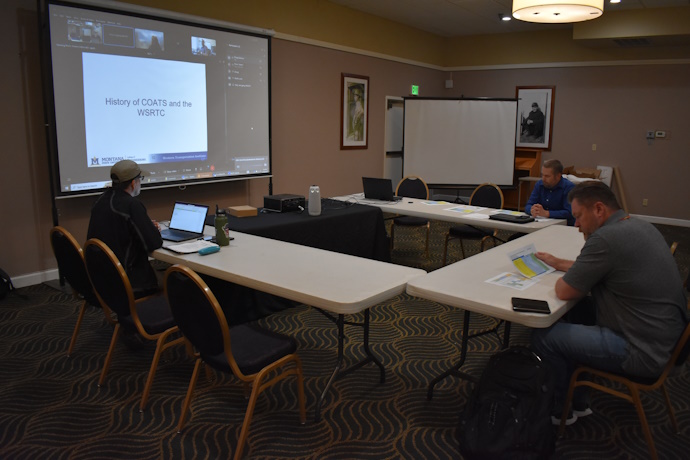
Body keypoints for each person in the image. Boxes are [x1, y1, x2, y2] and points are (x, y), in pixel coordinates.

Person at [532, 181, 688, 425]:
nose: (577, 225)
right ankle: (580, 400)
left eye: (579, 216)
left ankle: (560, 411)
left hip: (641, 351)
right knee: (580, 311)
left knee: (544, 337)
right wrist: (559, 262)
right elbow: (608, 268)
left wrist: (566, 274)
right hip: (666, 341)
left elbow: (563, 290)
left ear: (599, 209)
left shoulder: (606, 238)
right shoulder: (640, 226)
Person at [87, 160, 163, 296]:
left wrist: (144, 224)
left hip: (101, 278)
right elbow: (153, 243)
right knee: (175, 281)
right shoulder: (131, 205)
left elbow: (117, 228)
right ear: (134, 183)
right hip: (128, 281)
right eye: (140, 179)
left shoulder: (100, 200)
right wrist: (151, 229)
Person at [524, 159, 575, 226]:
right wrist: (532, 210)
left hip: (562, 227)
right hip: (539, 224)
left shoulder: (569, 187)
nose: (543, 179)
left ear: (558, 176)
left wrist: (547, 213)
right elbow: (528, 205)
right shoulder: (539, 185)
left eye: (547, 176)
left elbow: (570, 212)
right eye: (542, 175)